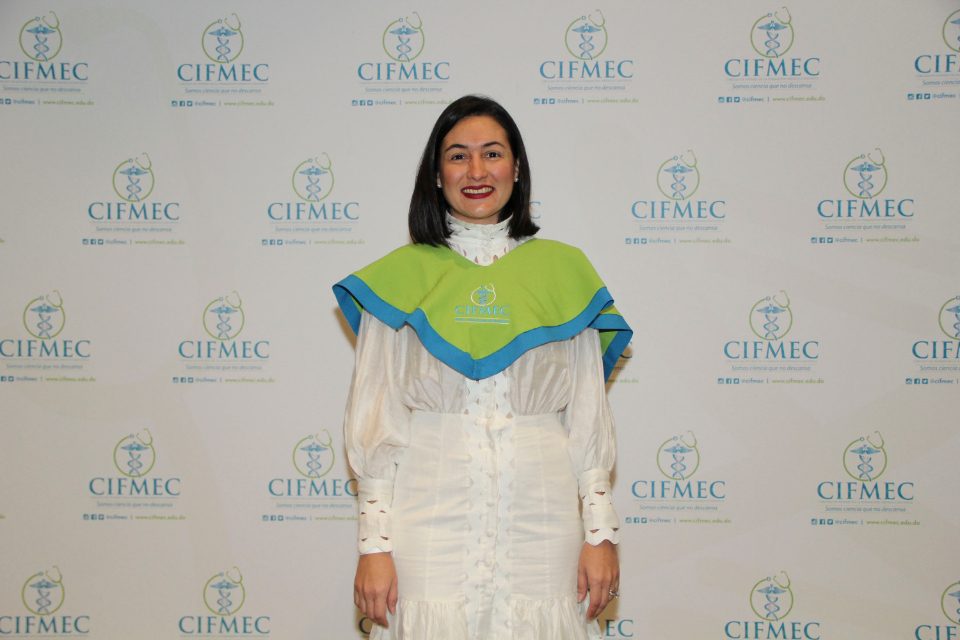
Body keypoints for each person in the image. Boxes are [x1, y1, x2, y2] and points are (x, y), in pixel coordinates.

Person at [333, 95, 632, 639]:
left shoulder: (565, 271)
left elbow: (589, 411)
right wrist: (373, 545)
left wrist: (600, 532)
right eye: (458, 156)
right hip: (427, 520)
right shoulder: (397, 279)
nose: (476, 171)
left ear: (516, 169)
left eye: (492, 154)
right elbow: (376, 415)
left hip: (543, 521)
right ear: (436, 174)